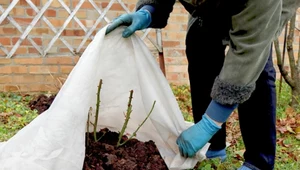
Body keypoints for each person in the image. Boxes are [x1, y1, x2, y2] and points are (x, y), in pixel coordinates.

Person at [105, 0, 300, 169]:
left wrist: (210, 123)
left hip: (265, 8)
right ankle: (213, 148)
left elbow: (249, 51)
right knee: (199, 40)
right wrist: (149, 11)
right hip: (212, 6)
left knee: (257, 66)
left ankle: (258, 162)